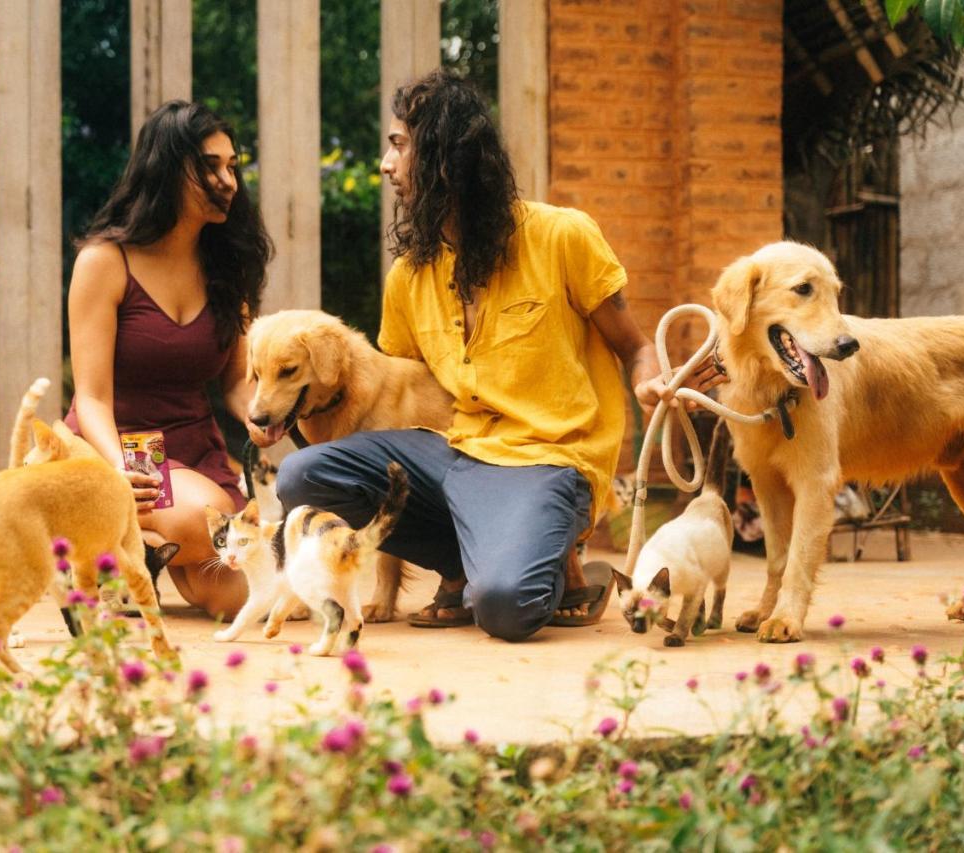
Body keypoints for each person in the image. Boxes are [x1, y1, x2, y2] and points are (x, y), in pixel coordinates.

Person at [271, 69, 722, 642]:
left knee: (506, 607)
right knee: (302, 477)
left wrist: (651, 383)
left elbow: (634, 347)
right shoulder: (408, 277)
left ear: (443, 158)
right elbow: (395, 383)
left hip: (546, 460)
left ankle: (532, 557)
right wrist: (290, 409)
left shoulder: (564, 236)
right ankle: (472, 557)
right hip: (451, 452)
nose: (387, 165)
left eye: (399, 145)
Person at [66, 100, 273, 620]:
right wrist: (119, 470)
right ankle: (104, 537)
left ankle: (135, 561)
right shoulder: (104, 262)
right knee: (212, 520)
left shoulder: (226, 267)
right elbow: (90, 396)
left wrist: (260, 413)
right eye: (210, 166)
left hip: (193, 448)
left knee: (244, 599)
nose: (228, 179)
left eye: (232, 166)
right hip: (119, 445)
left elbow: (234, 380)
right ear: (166, 166)